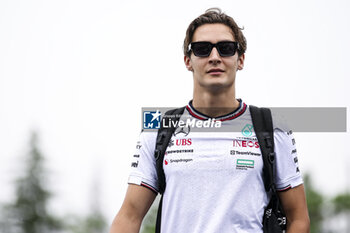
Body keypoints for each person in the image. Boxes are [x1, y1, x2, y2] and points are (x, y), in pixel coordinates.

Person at [109, 8, 310, 233]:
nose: (214, 57)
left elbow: (298, 219)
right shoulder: (158, 129)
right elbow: (128, 217)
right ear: (188, 61)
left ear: (240, 59)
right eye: (202, 49)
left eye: (225, 49)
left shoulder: (273, 128)